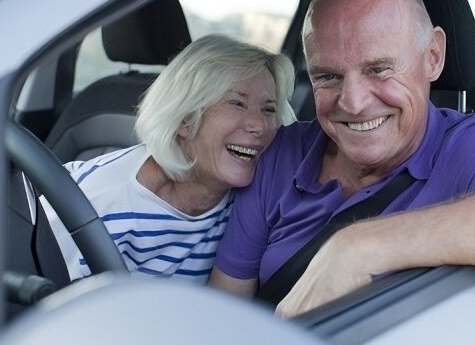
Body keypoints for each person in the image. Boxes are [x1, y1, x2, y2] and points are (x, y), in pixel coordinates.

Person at [209, 0, 475, 315]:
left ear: (433, 56)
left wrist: (362, 248)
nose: (352, 102)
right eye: (328, 76)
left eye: (378, 69)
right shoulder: (284, 152)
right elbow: (224, 313)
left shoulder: (466, 148)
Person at [41, 34, 296, 284]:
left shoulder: (256, 201)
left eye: (269, 110)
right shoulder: (98, 206)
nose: (259, 126)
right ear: (185, 119)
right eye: (237, 103)